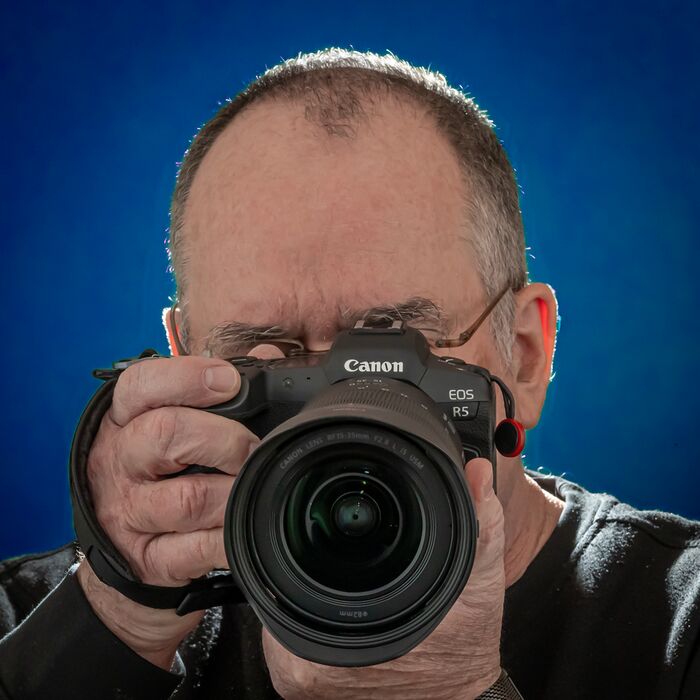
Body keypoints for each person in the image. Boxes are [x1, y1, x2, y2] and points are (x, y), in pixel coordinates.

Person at [0, 48, 698, 700]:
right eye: (262, 355)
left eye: (390, 351)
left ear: (524, 354)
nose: (333, 407)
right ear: (186, 367)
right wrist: (114, 622)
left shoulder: (681, 624)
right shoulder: (25, 623)